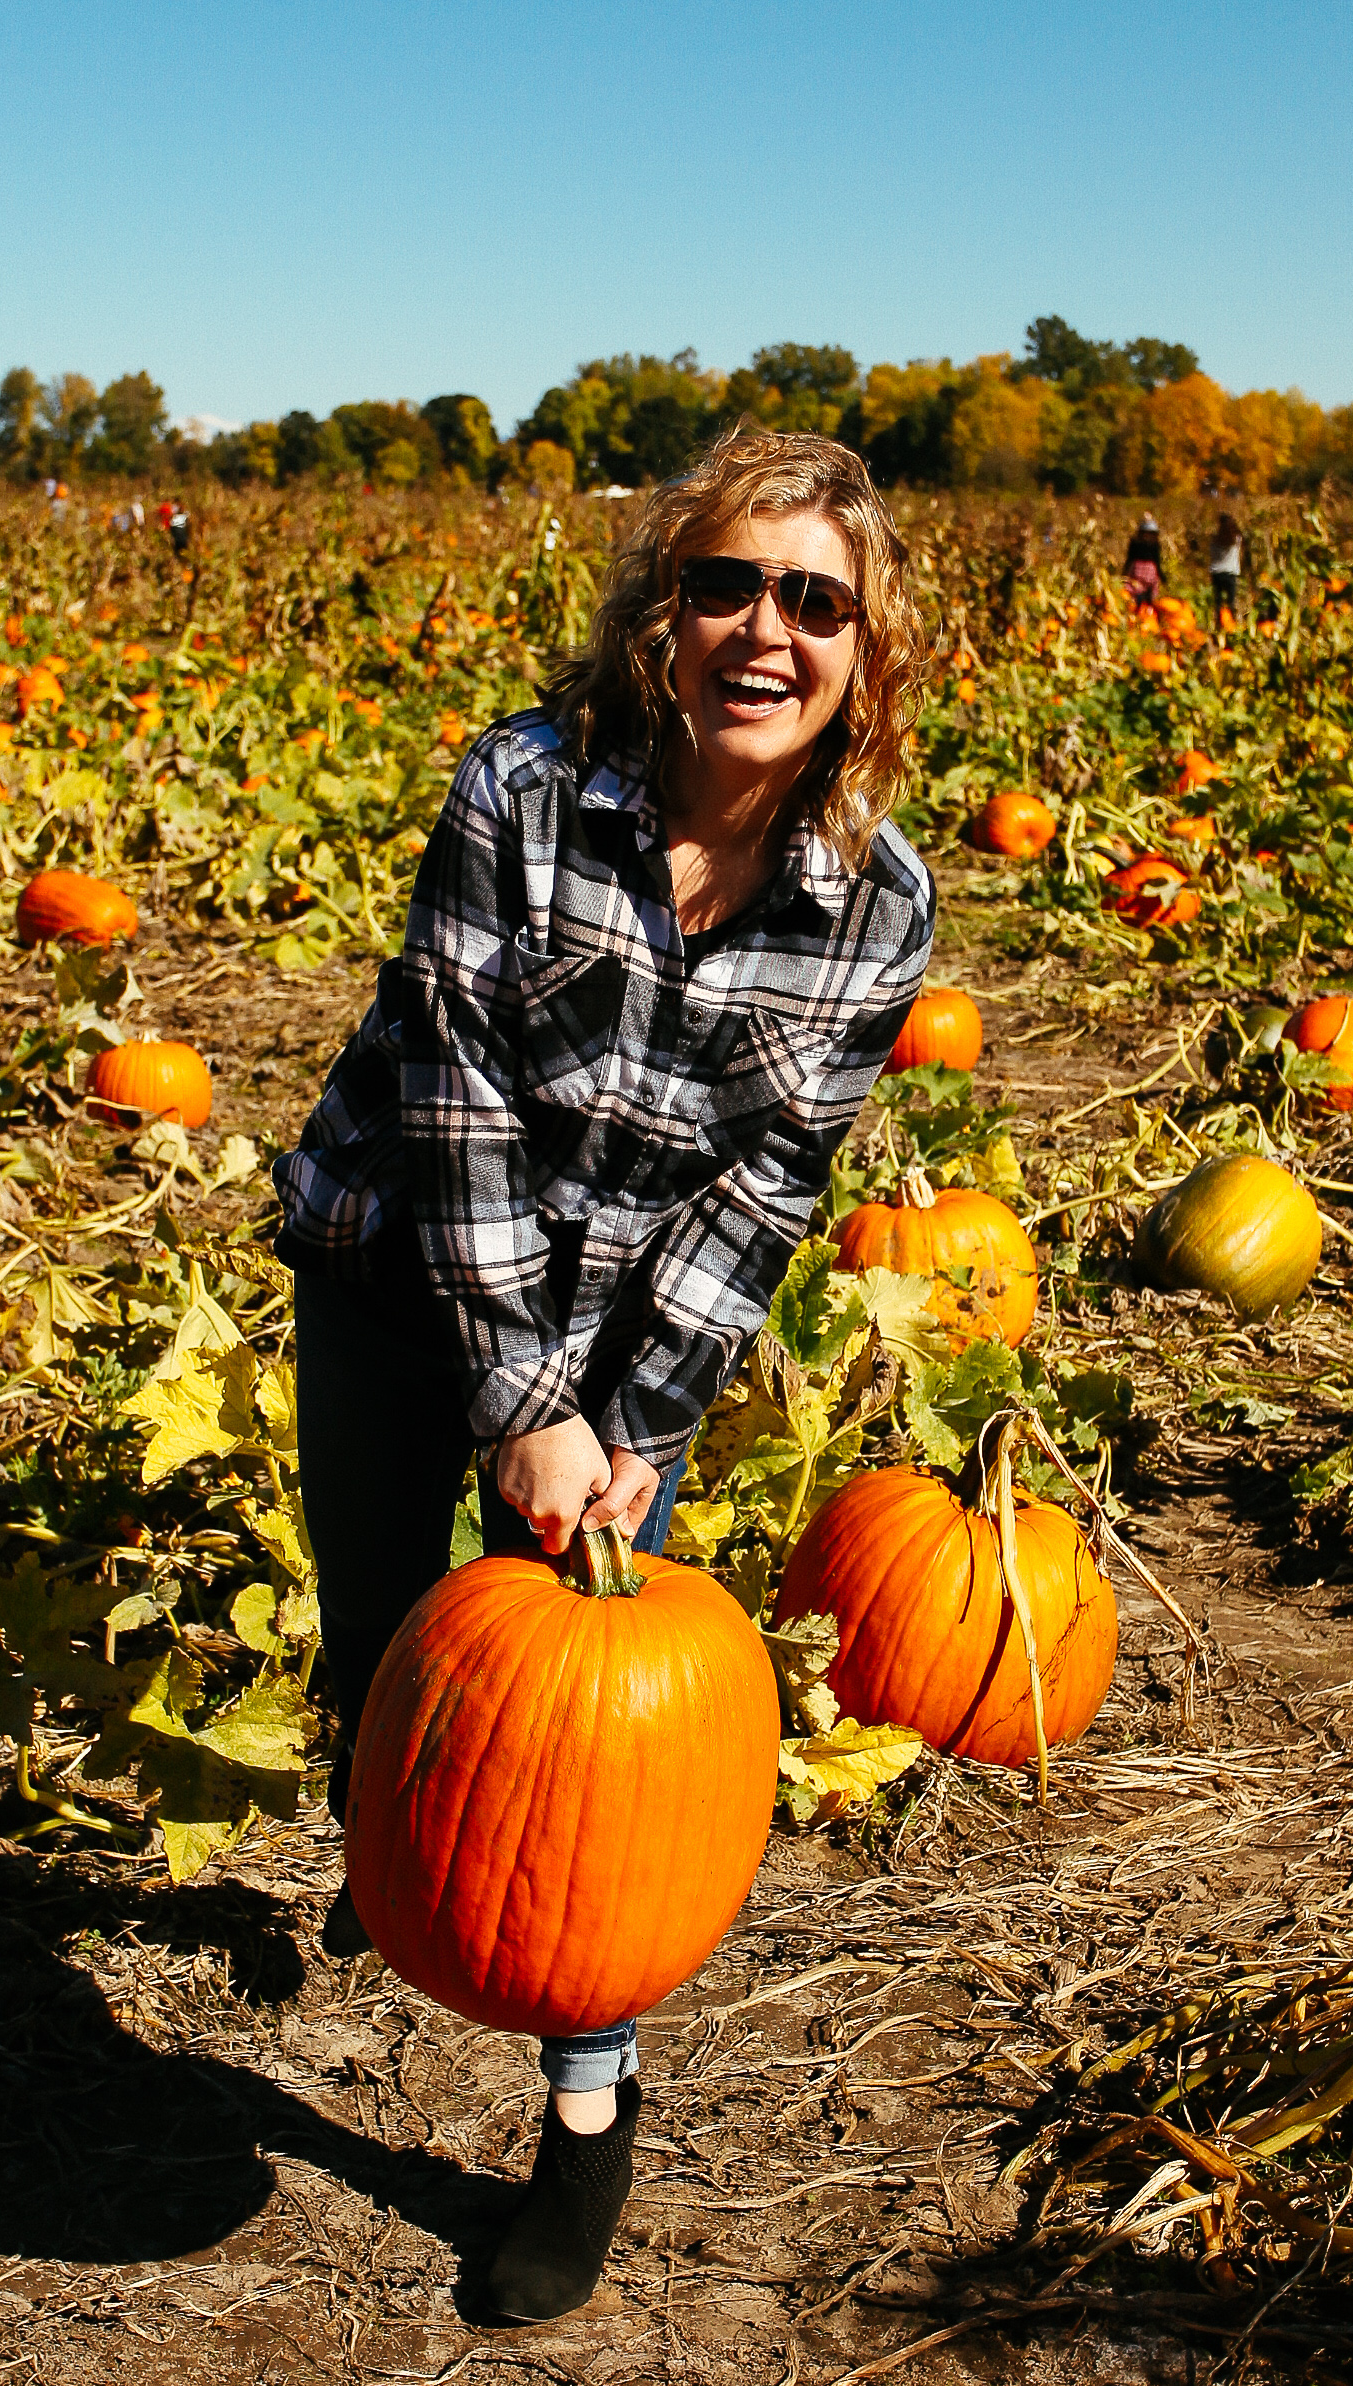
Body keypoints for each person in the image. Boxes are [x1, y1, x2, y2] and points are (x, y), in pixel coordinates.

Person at [273, 427, 931, 2321]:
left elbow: (765, 1190)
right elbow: (457, 1097)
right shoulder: (526, 788)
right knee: (386, 1635)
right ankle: (394, 1841)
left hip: (625, 1333)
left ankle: (583, 2117)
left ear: (863, 653)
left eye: (813, 601)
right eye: (726, 582)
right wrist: (523, 1404)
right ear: (663, 610)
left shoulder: (876, 908)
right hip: (403, 1267)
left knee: (600, 1741)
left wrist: (626, 1424)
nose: (764, 629)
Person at [1123, 512, 1164, 604]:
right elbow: (1130, 557)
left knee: (1149, 596)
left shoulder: (1154, 545)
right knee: (1133, 593)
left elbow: (1156, 560)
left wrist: (1160, 573)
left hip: (1149, 571)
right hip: (1137, 569)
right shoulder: (1136, 543)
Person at [1209, 512, 1243, 622]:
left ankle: (1218, 623)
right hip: (1230, 572)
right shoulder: (1235, 539)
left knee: (1217, 602)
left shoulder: (1214, 539)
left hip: (1216, 572)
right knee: (1230, 602)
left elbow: (1211, 553)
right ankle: (1231, 623)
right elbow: (1240, 534)